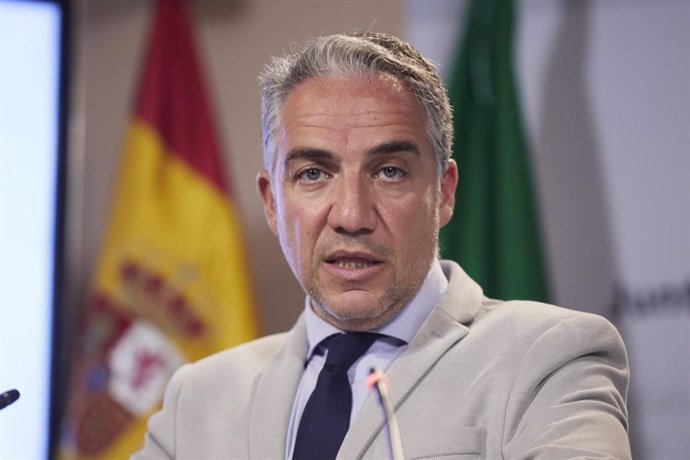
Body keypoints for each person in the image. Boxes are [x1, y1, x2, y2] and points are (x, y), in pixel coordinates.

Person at [134, 31, 630, 459]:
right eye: (313, 174)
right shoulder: (197, 398)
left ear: (444, 192)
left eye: (390, 172)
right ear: (271, 202)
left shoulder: (550, 359)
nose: (351, 216)